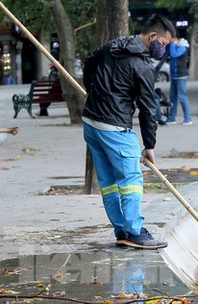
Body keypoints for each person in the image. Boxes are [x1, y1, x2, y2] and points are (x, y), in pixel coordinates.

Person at [82, 14, 176, 250]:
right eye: (164, 45)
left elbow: (88, 64)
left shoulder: (111, 46)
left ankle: (121, 230)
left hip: (91, 123)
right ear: (153, 36)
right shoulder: (143, 67)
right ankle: (134, 231)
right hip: (115, 128)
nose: (163, 51)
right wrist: (150, 146)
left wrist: (93, 92)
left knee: (110, 182)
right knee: (131, 179)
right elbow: (147, 109)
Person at [165, 37, 192, 125]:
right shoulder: (176, 47)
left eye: (172, 41)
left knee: (182, 96)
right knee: (173, 97)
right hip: (174, 76)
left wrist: (172, 44)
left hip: (181, 76)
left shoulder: (183, 47)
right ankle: (172, 118)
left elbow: (174, 54)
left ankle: (188, 118)